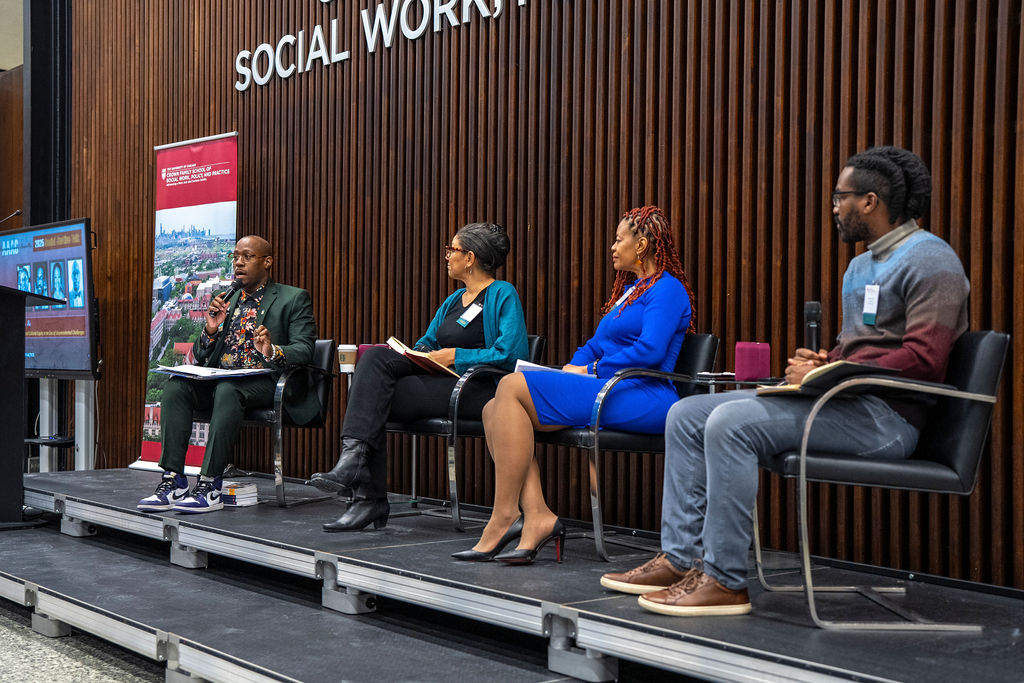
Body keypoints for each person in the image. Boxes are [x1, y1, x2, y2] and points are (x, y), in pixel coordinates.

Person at [600, 147, 969, 617]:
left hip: (887, 419)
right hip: (841, 403)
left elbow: (924, 360)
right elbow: (861, 347)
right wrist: (825, 359)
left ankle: (724, 579)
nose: (835, 206)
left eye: (842, 197)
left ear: (871, 202)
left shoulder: (932, 260)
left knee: (730, 422)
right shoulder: (860, 267)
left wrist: (831, 368)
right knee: (688, 413)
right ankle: (681, 559)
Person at [454, 206, 697, 564]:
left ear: (642, 245)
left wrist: (592, 369)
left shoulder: (668, 290)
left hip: (644, 393)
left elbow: (651, 350)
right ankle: (536, 515)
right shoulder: (629, 292)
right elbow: (596, 344)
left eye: (619, 239)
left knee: (509, 386)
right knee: (495, 408)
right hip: (608, 386)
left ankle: (506, 515)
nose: (612, 247)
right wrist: (575, 365)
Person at [308, 223, 528, 532]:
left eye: (452, 249)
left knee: (373, 395)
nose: (447, 255)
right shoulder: (454, 301)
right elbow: (428, 341)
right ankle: (358, 475)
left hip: (478, 390)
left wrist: (456, 356)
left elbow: (511, 353)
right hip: (441, 383)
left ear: (470, 257)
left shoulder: (502, 293)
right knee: (374, 359)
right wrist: (419, 353)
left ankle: (365, 495)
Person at [138, 235, 318, 513]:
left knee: (228, 390)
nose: (238, 262)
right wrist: (210, 330)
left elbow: (305, 349)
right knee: (176, 387)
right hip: (222, 378)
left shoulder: (293, 298)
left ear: (267, 262)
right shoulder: (227, 300)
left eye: (247, 256)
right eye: (235, 256)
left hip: (266, 380)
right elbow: (201, 354)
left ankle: (210, 485)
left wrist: (271, 350)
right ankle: (174, 481)